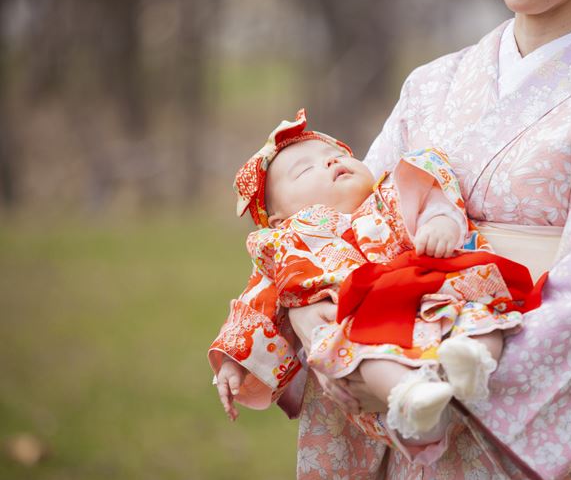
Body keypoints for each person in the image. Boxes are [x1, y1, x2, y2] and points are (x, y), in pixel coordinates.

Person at [285, 0, 571, 478]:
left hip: (503, 385)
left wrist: (452, 380)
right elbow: (348, 221)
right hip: (397, 375)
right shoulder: (431, 84)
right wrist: (313, 313)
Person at [209, 109, 546, 442]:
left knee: (483, 320)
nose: (330, 162)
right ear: (280, 218)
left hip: (430, 298)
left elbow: (432, 198)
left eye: (337, 154)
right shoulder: (286, 244)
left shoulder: (390, 196)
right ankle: (412, 399)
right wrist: (232, 363)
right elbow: (258, 303)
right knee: (362, 356)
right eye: (305, 170)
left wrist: (439, 223)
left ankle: (470, 367)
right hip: (363, 325)